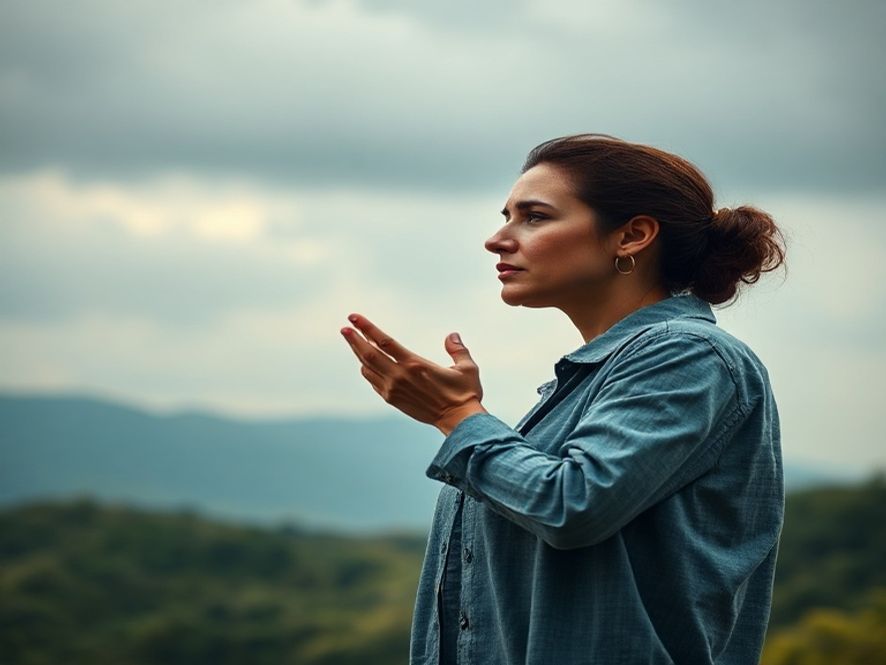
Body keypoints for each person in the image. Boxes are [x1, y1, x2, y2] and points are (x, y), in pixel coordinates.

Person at [340, 133, 786, 665]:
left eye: (534, 217)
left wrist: (456, 416)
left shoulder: (689, 356)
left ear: (633, 236)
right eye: (506, 215)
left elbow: (573, 505)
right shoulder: (595, 378)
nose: (497, 239)